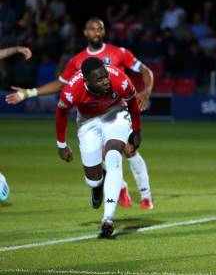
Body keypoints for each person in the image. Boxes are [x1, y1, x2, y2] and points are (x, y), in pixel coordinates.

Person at [6, 18, 155, 209]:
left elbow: (145, 71)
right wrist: (28, 92)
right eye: (92, 29)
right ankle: (120, 187)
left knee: (129, 149)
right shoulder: (77, 61)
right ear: (85, 33)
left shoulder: (119, 53)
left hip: (116, 109)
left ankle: (145, 196)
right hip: (91, 116)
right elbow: (60, 85)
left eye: (100, 29)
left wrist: (146, 91)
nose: (97, 32)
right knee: (102, 155)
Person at [56, 58, 141, 238]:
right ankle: (99, 182)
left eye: (105, 76)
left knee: (113, 157)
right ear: (87, 81)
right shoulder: (72, 91)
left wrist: (136, 130)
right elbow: (61, 113)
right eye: (99, 79)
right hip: (88, 122)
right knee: (92, 180)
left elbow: (132, 102)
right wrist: (61, 144)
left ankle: (107, 218)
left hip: (115, 114)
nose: (105, 81)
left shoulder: (120, 79)